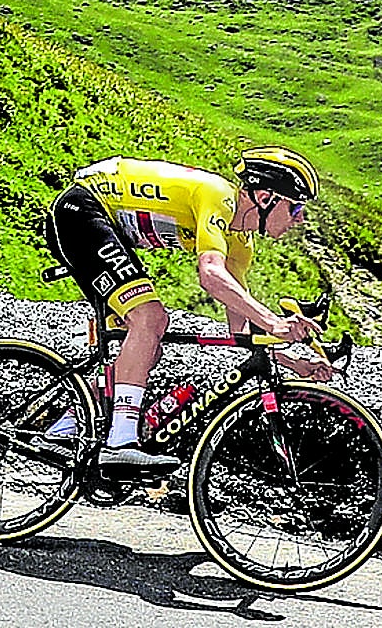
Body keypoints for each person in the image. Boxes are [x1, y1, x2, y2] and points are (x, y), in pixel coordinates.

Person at [44, 147, 331, 475]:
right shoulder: (220, 197)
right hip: (83, 210)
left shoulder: (241, 242)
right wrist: (275, 322)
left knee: (142, 344)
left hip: (104, 226)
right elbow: (211, 275)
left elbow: (242, 333)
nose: (300, 218)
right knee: (150, 319)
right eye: (295, 207)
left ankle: (63, 432)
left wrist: (295, 362)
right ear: (266, 198)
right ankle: (120, 443)